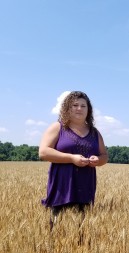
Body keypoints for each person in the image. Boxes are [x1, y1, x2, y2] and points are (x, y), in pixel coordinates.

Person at [39, 91, 108, 229]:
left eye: (83, 106)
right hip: (62, 185)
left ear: (88, 110)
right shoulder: (58, 127)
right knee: (57, 227)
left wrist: (97, 160)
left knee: (82, 228)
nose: (79, 108)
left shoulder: (95, 133)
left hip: (86, 185)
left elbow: (104, 156)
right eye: (75, 105)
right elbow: (43, 152)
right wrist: (71, 158)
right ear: (67, 108)